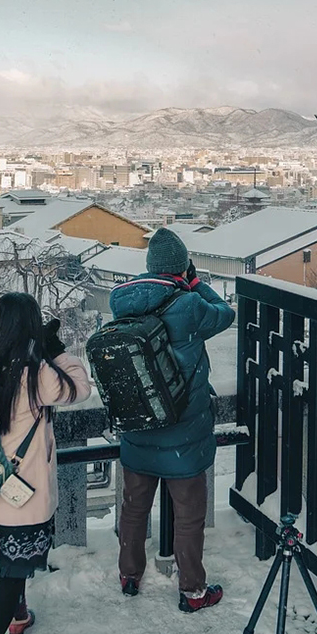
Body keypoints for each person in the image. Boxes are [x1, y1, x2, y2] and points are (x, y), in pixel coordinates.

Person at [109, 228, 235, 612]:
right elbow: (226, 314)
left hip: (138, 429)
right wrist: (196, 283)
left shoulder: (121, 301)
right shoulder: (189, 305)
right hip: (183, 434)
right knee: (188, 518)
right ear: (181, 268)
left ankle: (129, 575)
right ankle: (193, 590)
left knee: (133, 509)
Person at [0, 293, 91, 634]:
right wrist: (55, 350)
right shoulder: (35, 374)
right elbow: (80, 388)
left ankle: (19, 616)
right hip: (22, 494)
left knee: (10, 557)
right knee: (12, 571)